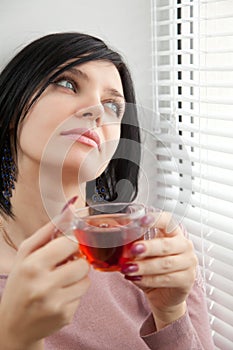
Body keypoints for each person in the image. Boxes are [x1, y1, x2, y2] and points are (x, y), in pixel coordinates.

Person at [0, 32, 214, 350]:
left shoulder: (157, 241)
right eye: (69, 84)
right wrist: (16, 339)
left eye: (113, 106)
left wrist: (170, 313)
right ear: (13, 106)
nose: (97, 110)